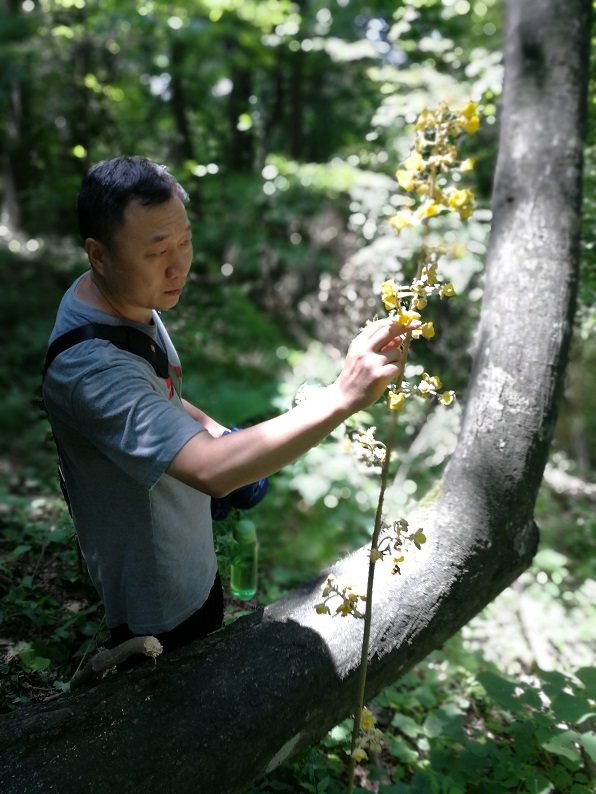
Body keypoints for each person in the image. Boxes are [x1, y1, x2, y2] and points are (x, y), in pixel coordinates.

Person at [42, 155, 415, 661]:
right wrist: (342, 397)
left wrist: (215, 431)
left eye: (185, 241)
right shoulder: (91, 369)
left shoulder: (118, 299)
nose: (178, 265)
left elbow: (155, 391)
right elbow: (211, 471)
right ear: (99, 255)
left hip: (186, 553)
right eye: (157, 251)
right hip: (158, 606)